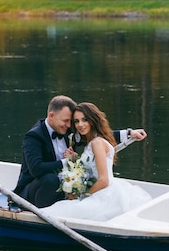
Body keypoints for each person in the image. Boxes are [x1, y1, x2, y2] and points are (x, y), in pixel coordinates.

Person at [14, 95, 146, 208]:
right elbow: (36, 169)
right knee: (51, 179)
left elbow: (95, 135)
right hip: (30, 193)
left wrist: (129, 133)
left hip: (60, 188)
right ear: (51, 115)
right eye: (66, 121)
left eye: (71, 122)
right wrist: (68, 162)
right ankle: (43, 215)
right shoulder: (34, 136)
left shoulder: (67, 130)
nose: (69, 126)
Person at [42, 102, 152, 221]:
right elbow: (91, 168)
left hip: (102, 194)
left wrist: (81, 196)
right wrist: (74, 159)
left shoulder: (97, 143)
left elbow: (104, 180)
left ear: (92, 120)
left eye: (84, 120)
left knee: (53, 212)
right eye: (76, 121)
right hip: (100, 191)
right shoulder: (93, 142)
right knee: (59, 209)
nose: (80, 125)